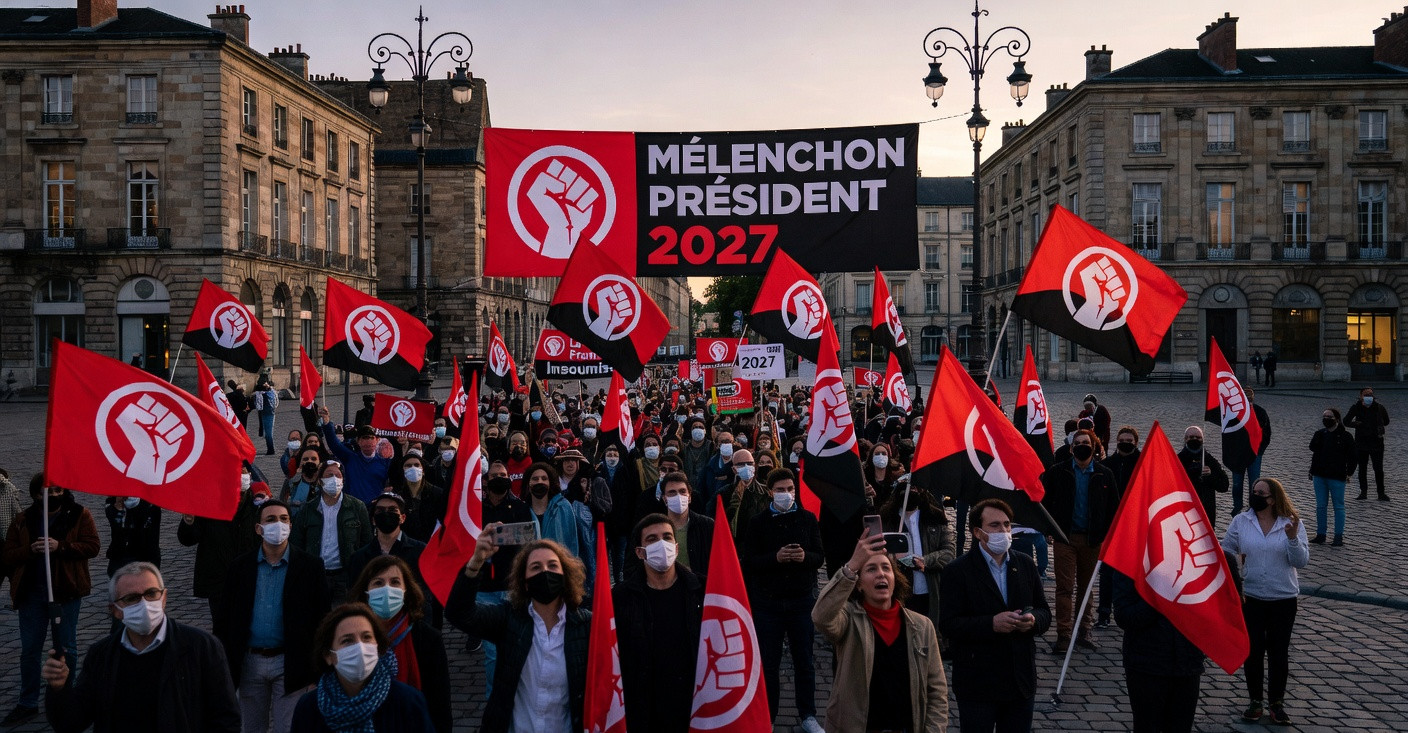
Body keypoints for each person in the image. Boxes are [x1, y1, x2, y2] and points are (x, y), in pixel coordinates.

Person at [41, 562, 241, 732]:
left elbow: (225, 719)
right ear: (115, 610)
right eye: (132, 598)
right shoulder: (101, 655)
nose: (144, 603)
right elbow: (72, 722)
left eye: (151, 593)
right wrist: (59, 689)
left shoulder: (201, 648)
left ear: (164, 598)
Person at [447, 534, 590, 733]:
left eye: (552, 565)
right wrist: (476, 562)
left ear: (565, 576)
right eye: (536, 568)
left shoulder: (586, 625)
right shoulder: (508, 619)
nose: (545, 572)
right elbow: (459, 613)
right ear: (525, 582)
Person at [813, 526, 949, 732]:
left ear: (895, 579)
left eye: (886, 568)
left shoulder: (922, 626)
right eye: (871, 569)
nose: (881, 575)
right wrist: (851, 567)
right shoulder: (849, 620)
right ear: (858, 585)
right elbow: (821, 617)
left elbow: (936, 690)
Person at [939, 498, 1052, 733]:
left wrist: (1033, 622)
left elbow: (1044, 612)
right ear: (978, 532)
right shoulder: (957, 571)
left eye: (1007, 525)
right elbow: (949, 624)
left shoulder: (1025, 564)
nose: (1003, 531)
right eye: (995, 526)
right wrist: (991, 624)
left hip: (1019, 680)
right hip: (978, 682)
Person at [218, 499, 330, 733]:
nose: (277, 524)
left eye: (283, 519)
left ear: (290, 525)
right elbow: (225, 619)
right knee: (251, 727)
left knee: (289, 728)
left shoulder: (310, 566)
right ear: (258, 528)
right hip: (250, 662)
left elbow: (322, 619)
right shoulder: (239, 567)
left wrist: (316, 669)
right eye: (270, 519)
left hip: (292, 662)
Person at [1, 476, 100, 726]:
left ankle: (67, 696)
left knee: (67, 647)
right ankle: (28, 701)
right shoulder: (24, 519)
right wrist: (29, 550)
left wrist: (62, 546)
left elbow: (92, 546)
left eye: (58, 490)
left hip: (65, 592)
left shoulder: (79, 514)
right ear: (36, 495)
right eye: (48, 491)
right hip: (32, 595)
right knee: (30, 650)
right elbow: (8, 554)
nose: (54, 494)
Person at [742, 468, 825, 729]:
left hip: (801, 600)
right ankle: (768, 716)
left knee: (805, 661)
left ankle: (808, 715)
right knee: (769, 664)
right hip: (769, 603)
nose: (786, 494)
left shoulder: (808, 519)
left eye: (790, 489)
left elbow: (819, 556)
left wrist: (805, 558)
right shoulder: (758, 522)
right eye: (780, 490)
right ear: (770, 492)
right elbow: (750, 561)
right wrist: (774, 558)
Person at [1221, 477, 1309, 726]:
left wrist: (1292, 538)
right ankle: (1255, 701)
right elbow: (1227, 552)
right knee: (1254, 651)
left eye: (1261, 492)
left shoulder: (1290, 522)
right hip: (1252, 597)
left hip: (1283, 597)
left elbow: (1300, 561)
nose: (1256, 495)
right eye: (1254, 491)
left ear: (1273, 498)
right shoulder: (1242, 520)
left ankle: (1277, 703)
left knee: (1279, 652)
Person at [613, 514, 704, 732]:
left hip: (693, 703)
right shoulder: (621, 598)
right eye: (652, 539)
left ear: (676, 546)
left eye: (667, 537)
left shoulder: (702, 589)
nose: (661, 544)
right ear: (639, 552)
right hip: (645, 707)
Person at [290, 603, 436, 732]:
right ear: (329, 656)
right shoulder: (309, 708)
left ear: (378, 647)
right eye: (347, 640)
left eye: (366, 637)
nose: (360, 647)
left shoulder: (407, 702)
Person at [349, 556, 451, 733]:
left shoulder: (428, 639)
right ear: (366, 590)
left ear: (406, 590)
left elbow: (440, 703)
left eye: (395, 582)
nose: (387, 589)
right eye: (378, 583)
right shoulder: (350, 637)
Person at [1041, 429, 1119, 652]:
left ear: (1093, 447)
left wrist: (1105, 534)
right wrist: (1049, 529)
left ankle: (1084, 630)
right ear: (1072, 447)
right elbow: (1045, 502)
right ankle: (1064, 634)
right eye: (1078, 443)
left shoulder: (1104, 474)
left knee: (1086, 588)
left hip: (1093, 540)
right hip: (1065, 537)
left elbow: (1114, 507)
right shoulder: (1058, 472)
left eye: (1087, 442)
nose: (1083, 446)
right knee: (1064, 587)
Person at [1112, 568, 1206, 733]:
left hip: (1188, 664)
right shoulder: (1131, 562)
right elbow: (1124, 616)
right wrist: (1160, 598)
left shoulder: (1196, 562)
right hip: (1146, 666)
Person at [179, 465, 261, 630]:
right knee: (222, 629)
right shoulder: (209, 504)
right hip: (219, 582)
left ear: (250, 475)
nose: (239, 475)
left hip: (250, 579)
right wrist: (189, 522)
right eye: (234, 471)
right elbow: (188, 539)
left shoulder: (258, 505)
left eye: (243, 471)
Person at [478, 471, 533, 687]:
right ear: (486, 479)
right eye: (495, 474)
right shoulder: (477, 508)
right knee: (491, 651)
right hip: (485, 588)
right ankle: (494, 697)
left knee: (516, 645)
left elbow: (527, 541)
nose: (500, 477)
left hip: (512, 585)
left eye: (503, 474)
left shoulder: (519, 507)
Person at [879, 475, 956, 624]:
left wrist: (925, 561)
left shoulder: (935, 519)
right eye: (908, 489)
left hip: (929, 590)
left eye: (915, 488)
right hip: (899, 591)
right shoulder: (887, 520)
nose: (912, 491)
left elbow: (949, 552)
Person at [291, 460, 373, 601]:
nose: (334, 479)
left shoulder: (357, 507)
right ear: (321, 481)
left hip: (345, 575)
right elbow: (297, 542)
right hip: (316, 575)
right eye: (329, 475)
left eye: (338, 475)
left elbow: (367, 541)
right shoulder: (308, 509)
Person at [346, 492, 428, 596]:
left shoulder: (421, 552)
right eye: (380, 510)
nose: (386, 513)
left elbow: (425, 594)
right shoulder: (358, 558)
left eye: (392, 510)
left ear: (402, 518)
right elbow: (355, 595)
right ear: (373, 520)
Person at [319, 412, 393, 504]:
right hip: (353, 508)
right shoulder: (351, 458)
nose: (368, 441)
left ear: (377, 440)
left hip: (375, 508)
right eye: (364, 438)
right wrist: (326, 423)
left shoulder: (385, 462)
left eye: (371, 437)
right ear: (358, 441)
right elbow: (335, 444)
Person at [1309, 407, 1357, 545]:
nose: (1326, 419)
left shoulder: (1345, 436)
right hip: (1319, 475)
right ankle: (1321, 534)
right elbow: (1312, 448)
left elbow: (1353, 456)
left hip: (1337, 476)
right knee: (1321, 506)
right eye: (1324, 416)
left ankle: (1338, 536)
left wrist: (1350, 472)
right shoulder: (1320, 434)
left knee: (1339, 506)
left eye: (1329, 417)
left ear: (1337, 418)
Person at [1225, 387, 1272, 516]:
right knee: (1237, 483)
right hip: (1238, 454)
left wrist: (1260, 450)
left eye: (1249, 397)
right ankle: (1237, 506)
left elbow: (1266, 434)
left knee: (1254, 483)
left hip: (1255, 454)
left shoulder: (1260, 412)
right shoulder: (1234, 412)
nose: (1247, 399)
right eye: (1245, 397)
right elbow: (1228, 432)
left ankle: (1253, 507)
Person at [1177, 426, 1230, 529]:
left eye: (1198, 437)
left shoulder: (1210, 460)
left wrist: (1210, 476)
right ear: (1185, 439)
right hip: (1185, 513)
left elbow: (1224, 486)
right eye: (1191, 437)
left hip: (1207, 514)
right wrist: (1190, 473)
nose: (1195, 440)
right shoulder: (1177, 460)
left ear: (1202, 440)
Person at [1344, 387, 1389, 501]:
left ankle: (1381, 493)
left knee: (1378, 469)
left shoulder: (1379, 407)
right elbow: (1346, 421)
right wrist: (1357, 424)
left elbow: (1387, 421)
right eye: (1366, 394)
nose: (1369, 396)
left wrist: (1379, 424)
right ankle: (1363, 492)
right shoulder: (1356, 407)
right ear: (1361, 396)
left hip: (1377, 443)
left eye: (1370, 394)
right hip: (1361, 442)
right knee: (1362, 469)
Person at [392, 452, 446, 543]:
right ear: (403, 471)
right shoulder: (398, 497)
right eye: (408, 466)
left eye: (417, 465)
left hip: (431, 543)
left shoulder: (438, 494)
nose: (413, 468)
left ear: (423, 471)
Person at [102, 494, 161, 577]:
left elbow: (153, 537)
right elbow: (118, 529)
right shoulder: (112, 502)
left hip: (145, 559)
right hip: (119, 558)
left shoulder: (151, 504)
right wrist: (119, 508)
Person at [280, 446, 324, 512]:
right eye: (305, 459)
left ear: (319, 462)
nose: (309, 461)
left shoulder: (325, 482)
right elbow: (281, 504)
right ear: (300, 462)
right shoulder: (291, 482)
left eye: (313, 459)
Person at [254, 380, 280, 454]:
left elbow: (258, 406)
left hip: (266, 413)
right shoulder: (271, 393)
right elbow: (276, 403)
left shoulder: (259, 394)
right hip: (270, 413)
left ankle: (271, 449)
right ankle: (270, 448)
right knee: (268, 432)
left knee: (268, 433)